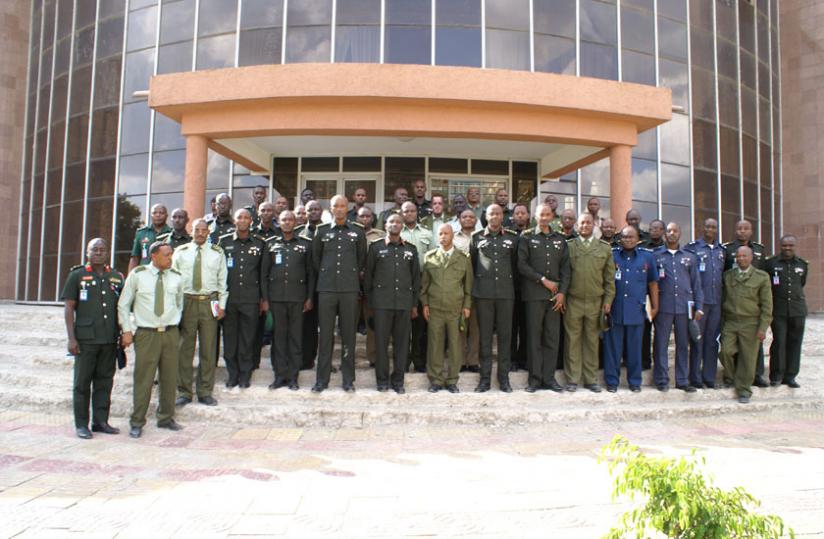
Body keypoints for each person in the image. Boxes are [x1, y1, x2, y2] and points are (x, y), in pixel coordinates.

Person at [118, 242, 184, 438]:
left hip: (170, 333)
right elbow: (123, 304)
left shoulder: (176, 277)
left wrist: (174, 323)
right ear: (154, 256)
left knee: (170, 378)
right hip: (147, 334)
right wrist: (127, 330)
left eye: (171, 254)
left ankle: (165, 418)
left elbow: (180, 304)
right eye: (166, 255)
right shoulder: (138, 275)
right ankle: (137, 421)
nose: (170, 258)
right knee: (144, 379)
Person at [61, 238, 124, 439]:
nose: (98, 253)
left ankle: (100, 421)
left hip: (108, 338)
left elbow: (121, 308)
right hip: (86, 340)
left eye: (102, 250)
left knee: (105, 382)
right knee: (82, 383)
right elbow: (69, 307)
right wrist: (71, 339)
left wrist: (122, 333)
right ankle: (81, 424)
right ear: (87, 252)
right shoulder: (77, 275)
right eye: (94, 249)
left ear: (107, 253)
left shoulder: (115, 276)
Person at [312, 195, 367, 393]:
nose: (340, 209)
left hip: (349, 290)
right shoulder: (321, 230)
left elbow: (361, 260)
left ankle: (348, 380)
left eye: (343, 206)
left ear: (347, 208)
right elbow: (316, 260)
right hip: (326, 289)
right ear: (331, 208)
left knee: (349, 336)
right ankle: (321, 380)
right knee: (325, 336)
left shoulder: (357, 232)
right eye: (336, 206)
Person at [172, 219, 227, 407]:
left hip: (208, 302)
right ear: (191, 230)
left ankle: (205, 391)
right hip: (186, 302)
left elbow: (222, 281)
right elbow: (174, 281)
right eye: (197, 230)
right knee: (184, 349)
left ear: (208, 231)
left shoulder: (217, 253)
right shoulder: (180, 252)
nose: (200, 233)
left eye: (204, 230)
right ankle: (184, 392)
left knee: (208, 349)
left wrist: (222, 305)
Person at [365, 214, 421, 393]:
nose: (395, 224)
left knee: (402, 344)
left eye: (398, 222)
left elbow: (415, 280)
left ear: (402, 226)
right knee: (381, 345)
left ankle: (398, 381)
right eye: (391, 222)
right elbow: (368, 278)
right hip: (382, 304)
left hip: (404, 304)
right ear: (386, 225)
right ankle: (382, 381)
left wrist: (413, 305)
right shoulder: (375, 248)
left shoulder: (411, 250)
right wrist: (372, 303)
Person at [518, 204, 569, 392]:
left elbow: (565, 269)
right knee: (534, 338)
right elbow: (522, 265)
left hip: (555, 298)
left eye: (548, 214)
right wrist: (543, 280)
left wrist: (562, 292)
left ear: (552, 216)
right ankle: (535, 380)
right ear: (535, 216)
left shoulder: (560, 239)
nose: (545, 217)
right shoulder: (527, 237)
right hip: (534, 295)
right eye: (541, 214)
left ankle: (549, 378)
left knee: (552, 338)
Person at [261, 210, 314, 391]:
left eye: (290, 219)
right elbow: (264, 274)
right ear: (279, 222)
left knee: (295, 338)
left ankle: (293, 377)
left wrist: (309, 298)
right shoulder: (270, 244)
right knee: (278, 338)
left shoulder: (305, 244)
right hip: (276, 298)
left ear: (295, 222)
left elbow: (310, 274)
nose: (287, 222)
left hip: (297, 298)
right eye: (284, 220)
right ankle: (279, 376)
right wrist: (265, 299)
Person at [564, 213, 615, 392]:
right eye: (582, 223)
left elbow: (609, 279)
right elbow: (564, 275)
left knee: (592, 341)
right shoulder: (569, 246)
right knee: (572, 341)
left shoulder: (604, 248)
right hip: (573, 301)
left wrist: (608, 300)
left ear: (594, 225)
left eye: (588, 223)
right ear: (577, 226)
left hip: (595, 303)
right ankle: (572, 379)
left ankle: (590, 379)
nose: (585, 226)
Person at [471, 204, 518, 393]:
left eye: (498, 213)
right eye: (491, 213)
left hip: (506, 294)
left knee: (505, 338)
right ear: (486, 216)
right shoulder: (477, 238)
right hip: (484, 294)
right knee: (485, 339)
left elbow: (515, 266)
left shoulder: (513, 238)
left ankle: (504, 379)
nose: (495, 216)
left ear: (502, 216)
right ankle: (484, 380)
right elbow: (474, 265)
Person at [604, 227, 658, 393]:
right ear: (620, 239)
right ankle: (612, 382)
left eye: (631, 237)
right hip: (615, 310)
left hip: (636, 310)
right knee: (613, 349)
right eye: (624, 237)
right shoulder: (612, 255)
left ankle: (634, 382)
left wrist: (655, 307)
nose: (628, 239)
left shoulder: (646, 257)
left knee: (635, 349)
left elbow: (653, 283)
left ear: (637, 239)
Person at [421, 224, 473, 393]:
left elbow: (468, 286)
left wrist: (466, 306)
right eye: (440, 234)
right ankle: (435, 380)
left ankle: (452, 380)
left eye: (446, 233)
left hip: (455, 310)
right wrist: (425, 304)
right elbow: (424, 286)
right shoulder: (430, 257)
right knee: (434, 345)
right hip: (435, 308)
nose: (443, 236)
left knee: (455, 345)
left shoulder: (463, 258)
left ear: (452, 236)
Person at [651, 223, 703, 392]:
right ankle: (661, 380)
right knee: (661, 344)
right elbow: (651, 283)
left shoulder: (690, 256)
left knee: (682, 345)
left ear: (680, 233)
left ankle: (682, 380)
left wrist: (699, 307)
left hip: (684, 307)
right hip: (663, 307)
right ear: (664, 234)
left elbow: (697, 284)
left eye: (675, 231)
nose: (672, 233)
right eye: (669, 231)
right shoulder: (656, 255)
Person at [217, 209, 265, 389]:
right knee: (230, 339)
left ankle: (245, 375)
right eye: (240, 217)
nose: (243, 220)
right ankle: (232, 374)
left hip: (251, 299)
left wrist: (263, 298)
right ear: (234, 221)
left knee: (248, 338)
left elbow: (262, 273)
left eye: (246, 217)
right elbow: (218, 272)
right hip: (228, 300)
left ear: (251, 221)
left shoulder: (260, 243)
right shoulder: (224, 242)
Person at [719, 246, 772, 404]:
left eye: (744, 256)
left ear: (751, 258)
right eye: (738, 256)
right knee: (726, 351)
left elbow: (767, 305)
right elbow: (723, 299)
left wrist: (763, 327)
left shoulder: (761, 277)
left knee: (748, 359)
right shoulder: (728, 276)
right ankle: (731, 377)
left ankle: (744, 390)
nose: (740, 258)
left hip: (751, 323)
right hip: (731, 321)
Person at [723, 219, 769, 387]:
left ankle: (756, 376)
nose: (742, 231)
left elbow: (763, 272)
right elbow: (725, 275)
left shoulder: (759, 250)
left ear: (751, 231)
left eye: (746, 228)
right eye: (739, 228)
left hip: (753, 302)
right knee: (729, 349)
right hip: (734, 299)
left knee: (755, 348)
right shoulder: (727, 249)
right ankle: (733, 376)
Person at [686, 218, 725, 389]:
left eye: (713, 227)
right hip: (700, 304)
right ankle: (695, 378)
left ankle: (709, 378)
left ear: (717, 230)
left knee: (712, 341)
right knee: (697, 340)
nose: (710, 229)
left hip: (716, 302)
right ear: (702, 228)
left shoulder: (721, 250)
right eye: (707, 226)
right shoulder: (693, 248)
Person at [765, 235, 808, 388]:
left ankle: (790, 376)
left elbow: (801, 283)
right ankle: (776, 375)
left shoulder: (802, 264)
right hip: (779, 311)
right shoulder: (771, 263)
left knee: (795, 343)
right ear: (780, 246)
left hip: (797, 310)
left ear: (795, 246)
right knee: (779, 343)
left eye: (790, 246)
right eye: (784, 246)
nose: (787, 248)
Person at [400, 201, 432, 373]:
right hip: (401, 282)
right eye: (406, 211)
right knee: (403, 327)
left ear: (417, 213)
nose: (410, 214)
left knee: (420, 327)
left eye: (413, 211)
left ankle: (419, 362)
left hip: (422, 281)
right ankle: (403, 362)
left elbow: (433, 256)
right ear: (401, 213)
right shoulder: (397, 231)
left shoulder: (427, 233)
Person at [357, 206, 385, 366]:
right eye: (362, 216)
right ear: (357, 218)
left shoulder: (380, 235)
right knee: (348, 325)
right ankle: (348, 358)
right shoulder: (352, 233)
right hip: (352, 285)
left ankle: (373, 358)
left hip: (372, 285)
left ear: (372, 218)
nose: (365, 219)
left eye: (368, 216)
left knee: (372, 324)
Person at [454, 209, 480, 372]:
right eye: (464, 217)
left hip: (479, 286)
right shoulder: (454, 238)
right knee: (460, 325)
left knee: (475, 327)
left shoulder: (481, 236)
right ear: (459, 219)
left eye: (471, 217)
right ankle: (461, 360)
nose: (468, 219)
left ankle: (473, 360)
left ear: (476, 219)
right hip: (459, 286)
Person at [509, 202, 531, 370]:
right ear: (513, 216)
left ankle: (523, 358)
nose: (520, 216)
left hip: (529, 287)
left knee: (526, 326)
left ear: (528, 216)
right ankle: (512, 360)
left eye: (523, 213)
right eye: (517, 213)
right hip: (511, 287)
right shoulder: (507, 234)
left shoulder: (533, 234)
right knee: (511, 326)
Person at [129, 204, 171, 271]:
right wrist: (130, 278)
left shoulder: (171, 234)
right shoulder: (141, 233)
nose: (158, 215)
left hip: (165, 273)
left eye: (161, 213)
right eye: (154, 213)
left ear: (166, 216)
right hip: (145, 273)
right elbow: (135, 258)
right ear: (151, 215)